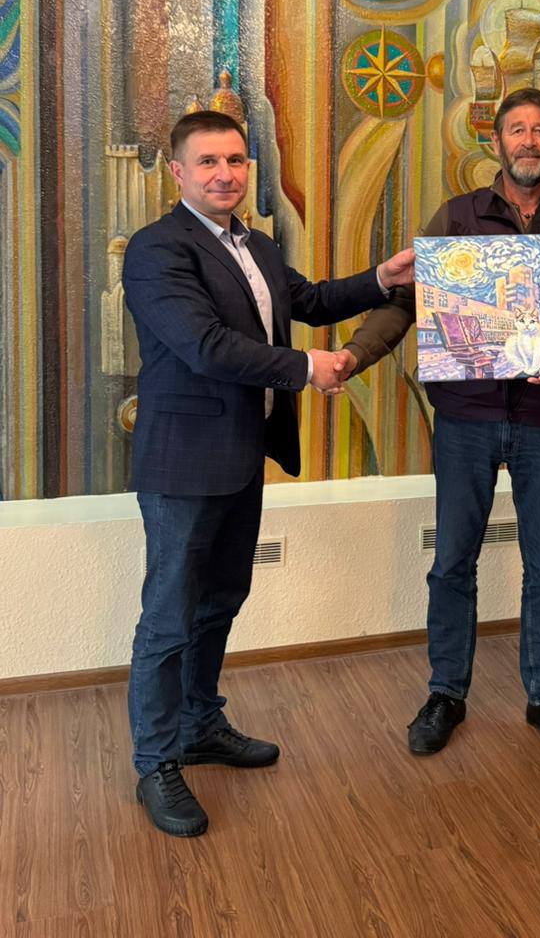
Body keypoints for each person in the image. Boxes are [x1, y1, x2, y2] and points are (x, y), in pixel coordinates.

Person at [123, 109, 414, 837]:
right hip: (184, 462)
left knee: (222, 598)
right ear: (178, 172)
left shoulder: (255, 243)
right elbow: (206, 345)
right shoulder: (159, 250)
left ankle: (200, 725)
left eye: (236, 160)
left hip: (240, 453)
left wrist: (380, 278)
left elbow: (308, 301)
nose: (225, 174)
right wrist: (308, 368)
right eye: (208, 162)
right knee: (169, 616)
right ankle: (156, 762)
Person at [338, 87, 540, 760]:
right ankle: (446, 692)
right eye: (515, 130)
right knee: (452, 562)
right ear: (495, 143)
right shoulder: (457, 217)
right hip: (465, 418)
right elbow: (406, 302)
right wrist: (355, 354)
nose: (528, 141)